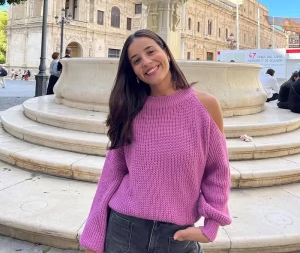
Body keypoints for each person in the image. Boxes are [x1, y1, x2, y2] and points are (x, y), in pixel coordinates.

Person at [80, 29, 231, 253]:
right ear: (133, 71)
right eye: (136, 60)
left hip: (178, 235)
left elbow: (217, 170)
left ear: (167, 53)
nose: (147, 62)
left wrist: (212, 226)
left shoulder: (206, 106)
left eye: (151, 52)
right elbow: (112, 175)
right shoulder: (129, 109)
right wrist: (93, 236)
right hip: (125, 228)